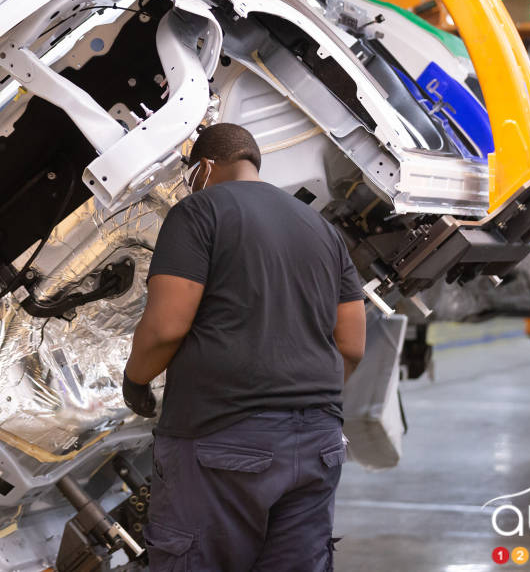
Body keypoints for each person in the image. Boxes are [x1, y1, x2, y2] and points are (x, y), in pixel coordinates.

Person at [123, 122, 366, 572]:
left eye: (190, 170)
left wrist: (135, 380)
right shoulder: (321, 229)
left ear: (206, 166)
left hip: (222, 442)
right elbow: (351, 344)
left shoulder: (199, 212)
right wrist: (304, 397)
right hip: (319, 444)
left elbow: (165, 328)